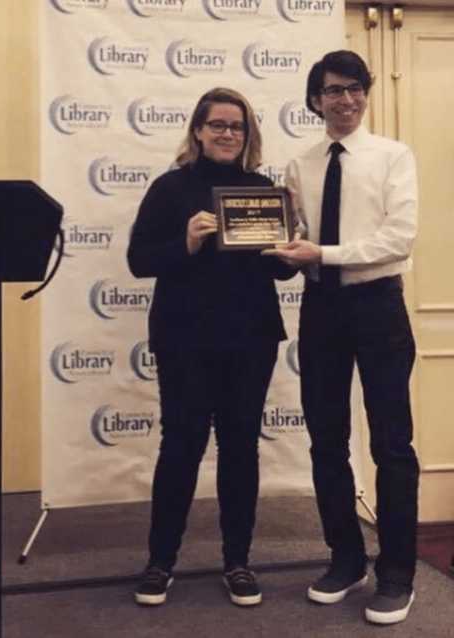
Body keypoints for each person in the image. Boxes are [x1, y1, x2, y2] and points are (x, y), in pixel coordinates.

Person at [264, 50, 419, 625]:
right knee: (326, 440)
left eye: (355, 89)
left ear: (366, 93)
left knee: (391, 444)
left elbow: (397, 239)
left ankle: (397, 571)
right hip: (322, 307)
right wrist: (266, 246)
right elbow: (292, 242)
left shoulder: (393, 156)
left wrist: (321, 253)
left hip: (379, 304)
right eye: (333, 90)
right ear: (315, 99)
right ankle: (346, 558)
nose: (346, 100)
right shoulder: (299, 164)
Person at [127, 87, 296, 607]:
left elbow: (279, 267)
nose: (227, 134)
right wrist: (187, 242)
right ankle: (160, 562)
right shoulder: (169, 188)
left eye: (237, 127)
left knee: (241, 448)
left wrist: (288, 248)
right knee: (180, 446)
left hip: (251, 339)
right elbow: (138, 260)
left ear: (248, 135)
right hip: (185, 339)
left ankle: (238, 562)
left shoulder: (263, 189)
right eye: (218, 125)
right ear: (198, 131)